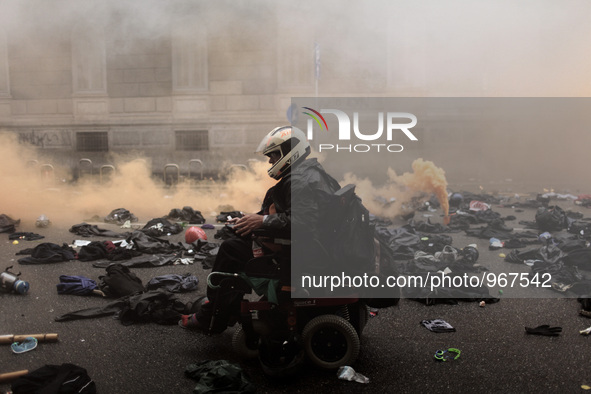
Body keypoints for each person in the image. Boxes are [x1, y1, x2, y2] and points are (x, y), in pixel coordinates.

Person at [179, 125, 341, 333]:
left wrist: (262, 223)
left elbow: (304, 222)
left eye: (273, 155)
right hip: (310, 250)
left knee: (231, 250)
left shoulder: (299, 181)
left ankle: (214, 314)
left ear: (290, 151)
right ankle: (220, 306)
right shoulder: (310, 173)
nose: (271, 161)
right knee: (237, 238)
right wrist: (254, 220)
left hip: (297, 257)